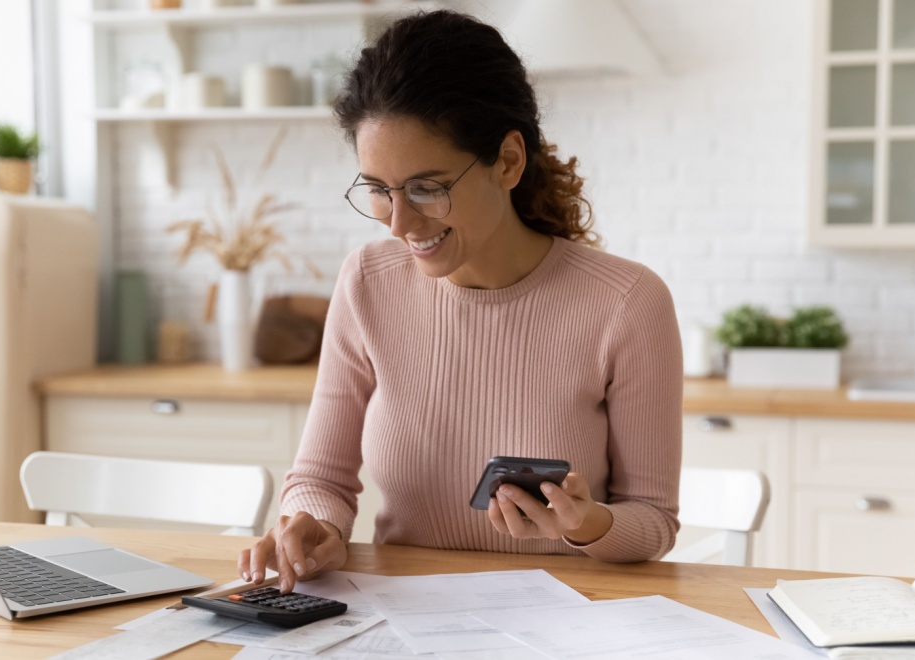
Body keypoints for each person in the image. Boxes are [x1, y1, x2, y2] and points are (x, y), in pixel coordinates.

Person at [239, 9, 683, 593]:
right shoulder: (368, 282)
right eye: (378, 190)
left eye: (428, 187)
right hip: (401, 618)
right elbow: (322, 476)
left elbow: (653, 520)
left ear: (508, 161)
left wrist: (590, 524)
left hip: (565, 619)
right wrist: (315, 526)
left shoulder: (627, 302)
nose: (399, 223)